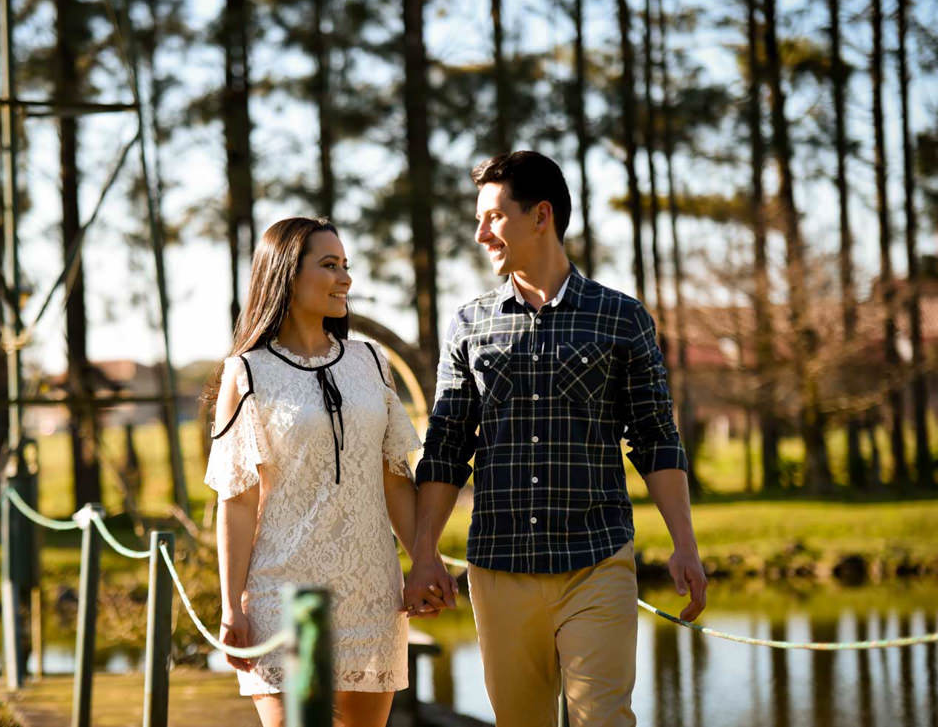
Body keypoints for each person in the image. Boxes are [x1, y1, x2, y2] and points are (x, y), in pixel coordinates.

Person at [402, 151, 708, 727]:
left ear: (541, 215)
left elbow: (655, 438)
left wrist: (684, 545)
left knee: (604, 720)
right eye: (478, 219)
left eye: (494, 217)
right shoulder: (469, 324)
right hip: (499, 569)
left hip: (596, 562)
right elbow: (445, 447)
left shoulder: (621, 319)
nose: (481, 234)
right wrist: (423, 554)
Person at [203, 216, 423, 727]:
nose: (346, 278)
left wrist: (425, 562)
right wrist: (232, 605)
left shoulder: (372, 362)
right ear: (286, 273)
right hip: (288, 599)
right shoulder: (248, 371)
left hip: (372, 595)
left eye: (346, 265)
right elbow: (237, 499)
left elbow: (395, 479)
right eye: (329, 265)